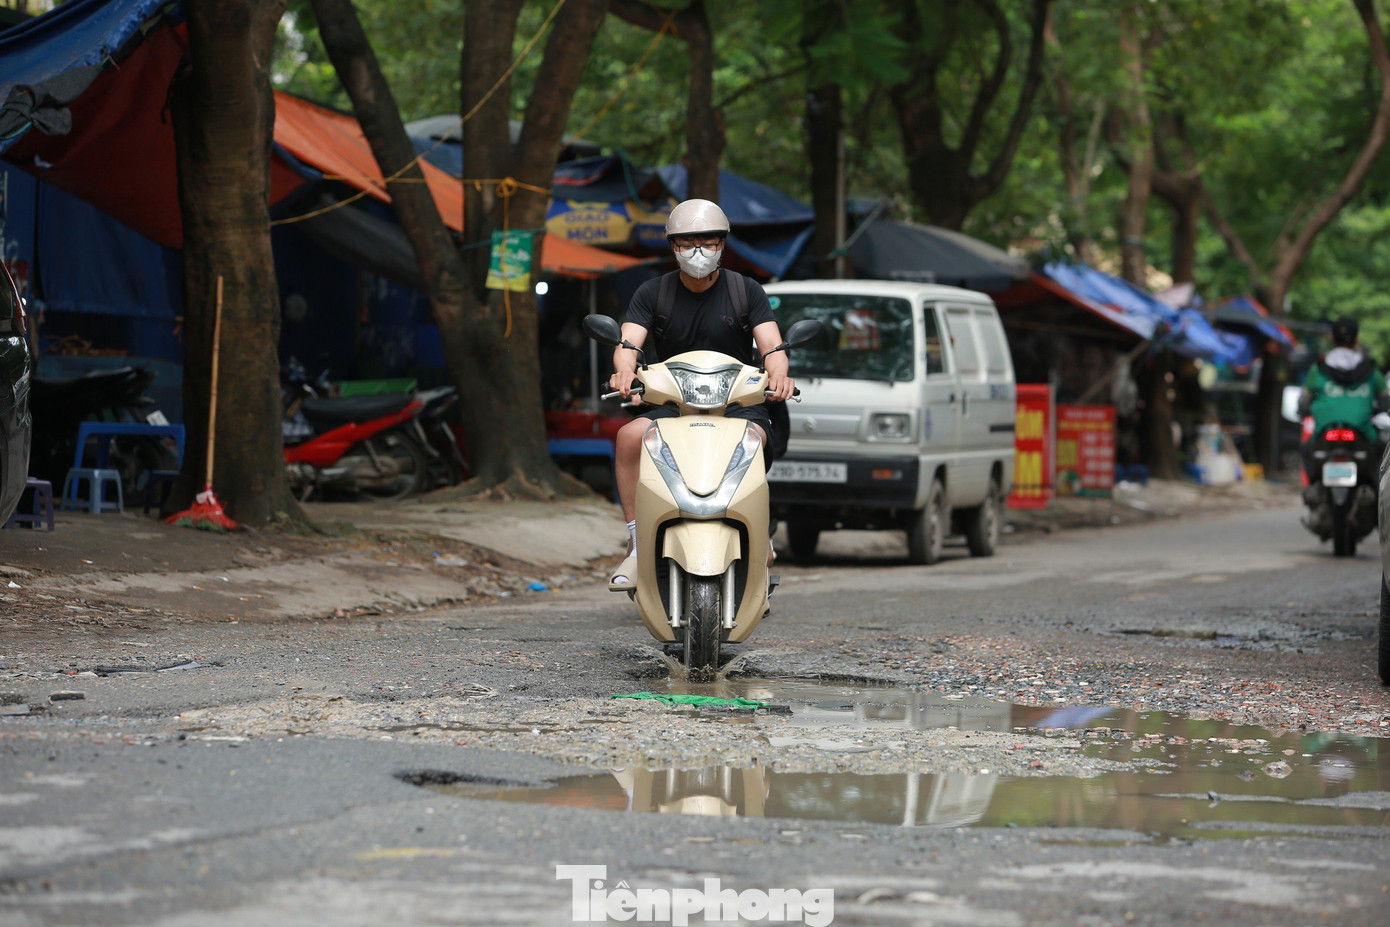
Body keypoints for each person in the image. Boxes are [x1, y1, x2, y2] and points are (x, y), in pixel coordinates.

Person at [606, 198, 794, 588]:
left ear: (722, 244)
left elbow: (772, 347)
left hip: (737, 404)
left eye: (708, 240)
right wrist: (623, 371)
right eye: (686, 241)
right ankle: (638, 540)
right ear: (672, 246)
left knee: (753, 443)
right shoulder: (652, 293)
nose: (697, 250)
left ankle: (759, 530)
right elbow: (629, 343)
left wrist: (779, 377)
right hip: (675, 404)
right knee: (627, 438)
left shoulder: (747, 291)